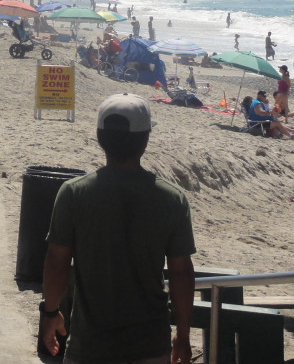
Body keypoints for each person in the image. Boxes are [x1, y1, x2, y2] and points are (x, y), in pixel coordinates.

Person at [40, 94, 195, 364]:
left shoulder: (74, 194)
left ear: (100, 136)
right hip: (150, 343)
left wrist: (50, 313)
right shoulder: (172, 198)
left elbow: (57, 262)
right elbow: (181, 272)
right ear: (145, 140)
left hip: (90, 345)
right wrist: (183, 335)